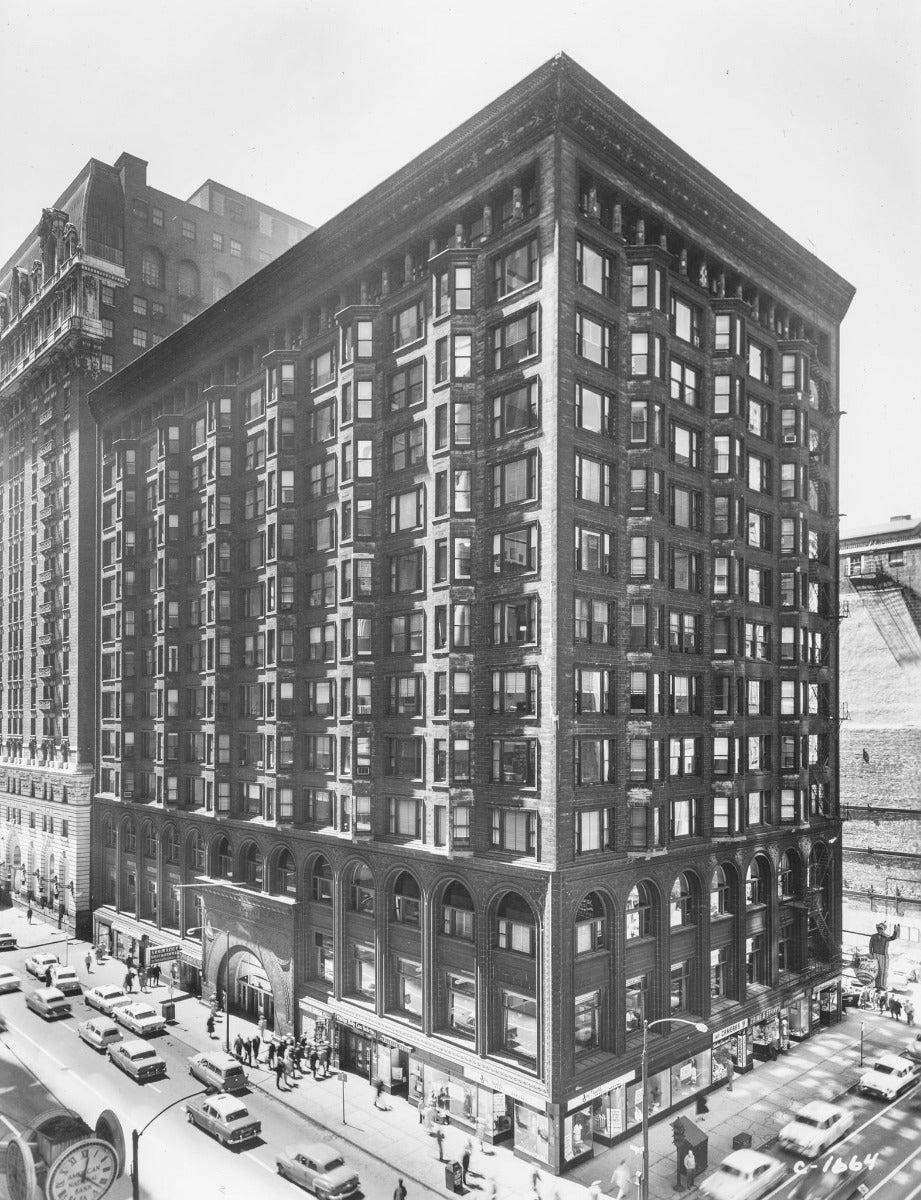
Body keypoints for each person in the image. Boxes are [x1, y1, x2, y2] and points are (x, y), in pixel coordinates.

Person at [869, 922, 900, 990]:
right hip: (875, 955)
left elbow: (893, 937)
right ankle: (876, 984)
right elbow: (870, 945)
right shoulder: (873, 936)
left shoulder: (886, 937)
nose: (879, 930)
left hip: (883, 956)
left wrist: (895, 931)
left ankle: (882, 985)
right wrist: (871, 953)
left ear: (883, 930)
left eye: (881, 929)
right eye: (878, 928)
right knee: (876, 970)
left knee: (883, 971)